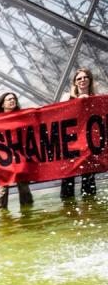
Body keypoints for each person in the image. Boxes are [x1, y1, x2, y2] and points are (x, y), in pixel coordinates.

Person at [61, 68, 98, 199]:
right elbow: (59, 113)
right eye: (79, 78)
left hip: (89, 144)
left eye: (85, 77)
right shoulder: (67, 97)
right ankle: (68, 212)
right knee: (67, 182)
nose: (82, 80)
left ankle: (90, 210)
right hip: (71, 143)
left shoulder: (97, 99)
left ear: (90, 80)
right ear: (75, 82)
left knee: (89, 183)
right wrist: (78, 100)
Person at [0, 92, 33, 209]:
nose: (12, 101)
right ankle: (2, 214)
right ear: (2, 104)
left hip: (20, 156)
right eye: (9, 99)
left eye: (14, 98)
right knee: (3, 189)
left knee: (24, 187)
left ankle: (27, 212)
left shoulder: (22, 116)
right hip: (4, 158)